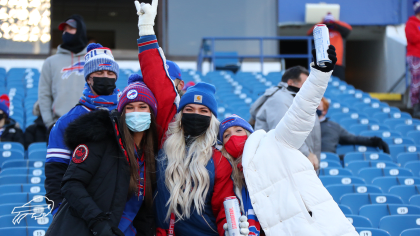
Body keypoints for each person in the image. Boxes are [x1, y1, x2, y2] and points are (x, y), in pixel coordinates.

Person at [134, 1, 248, 235]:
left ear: (212, 118)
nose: (195, 115)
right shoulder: (167, 134)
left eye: (204, 111)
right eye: (189, 110)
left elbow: (224, 207)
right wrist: (146, 28)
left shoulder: (219, 159)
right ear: (180, 114)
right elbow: (157, 78)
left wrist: (231, 229)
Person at [221, 46, 358, 236]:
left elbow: (301, 111)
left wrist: (319, 74)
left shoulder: (275, 141)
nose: (234, 137)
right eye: (226, 135)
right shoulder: (229, 177)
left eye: (239, 130)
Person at [45, 74, 158, 236]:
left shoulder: (151, 153)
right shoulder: (101, 139)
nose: (136, 112)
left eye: (142, 107)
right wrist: (99, 223)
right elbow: (71, 184)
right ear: (122, 112)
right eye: (130, 107)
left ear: (151, 112)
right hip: (83, 230)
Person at [45, 43, 120, 216]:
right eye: (99, 73)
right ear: (88, 78)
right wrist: (58, 212)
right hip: (81, 207)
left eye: (110, 73)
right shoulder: (68, 120)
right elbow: (55, 172)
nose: (105, 77)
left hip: (121, 206)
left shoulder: (127, 111)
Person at [250, 66, 321, 171]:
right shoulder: (280, 99)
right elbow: (285, 133)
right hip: (286, 168)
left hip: (299, 166)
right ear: (291, 83)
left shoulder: (296, 100)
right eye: (306, 84)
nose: (309, 88)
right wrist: (307, 154)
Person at [38, 15, 88, 128]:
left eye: (71, 29)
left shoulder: (92, 59)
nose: (66, 32)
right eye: (64, 30)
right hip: (59, 125)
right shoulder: (50, 62)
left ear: (80, 31)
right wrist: (49, 123)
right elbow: (44, 95)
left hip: (88, 125)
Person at [318, 98, 390, 154]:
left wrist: (375, 141)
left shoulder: (334, 127)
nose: (314, 109)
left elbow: (352, 139)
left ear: (325, 111)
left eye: (318, 107)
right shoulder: (306, 126)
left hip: (330, 161)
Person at [307, 13, 352, 81]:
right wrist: (323, 22)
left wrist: (334, 22)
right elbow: (309, 33)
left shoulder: (339, 32)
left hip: (337, 62)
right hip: (322, 61)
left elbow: (348, 29)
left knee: (339, 81)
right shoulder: (320, 32)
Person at [405, 0, 420, 118]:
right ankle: (415, 107)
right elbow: (413, 38)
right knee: (416, 84)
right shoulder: (411, 23)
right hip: (415, 56)